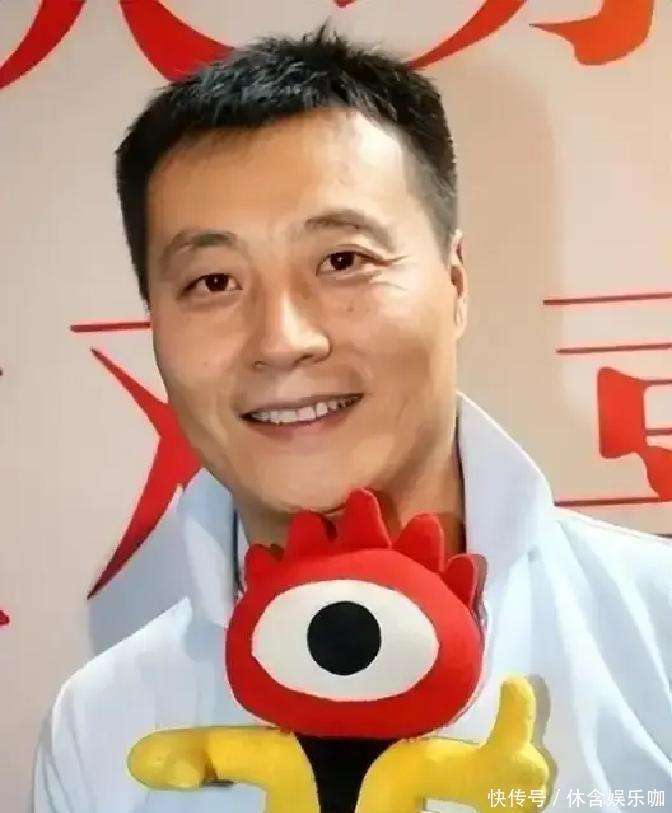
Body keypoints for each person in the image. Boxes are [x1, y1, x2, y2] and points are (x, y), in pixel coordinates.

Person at [33, 26, 671, 813]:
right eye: (214, 281)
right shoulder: (101, 725)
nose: (283, 340)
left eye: (343, 262)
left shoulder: (657, 631)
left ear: (455, 282)